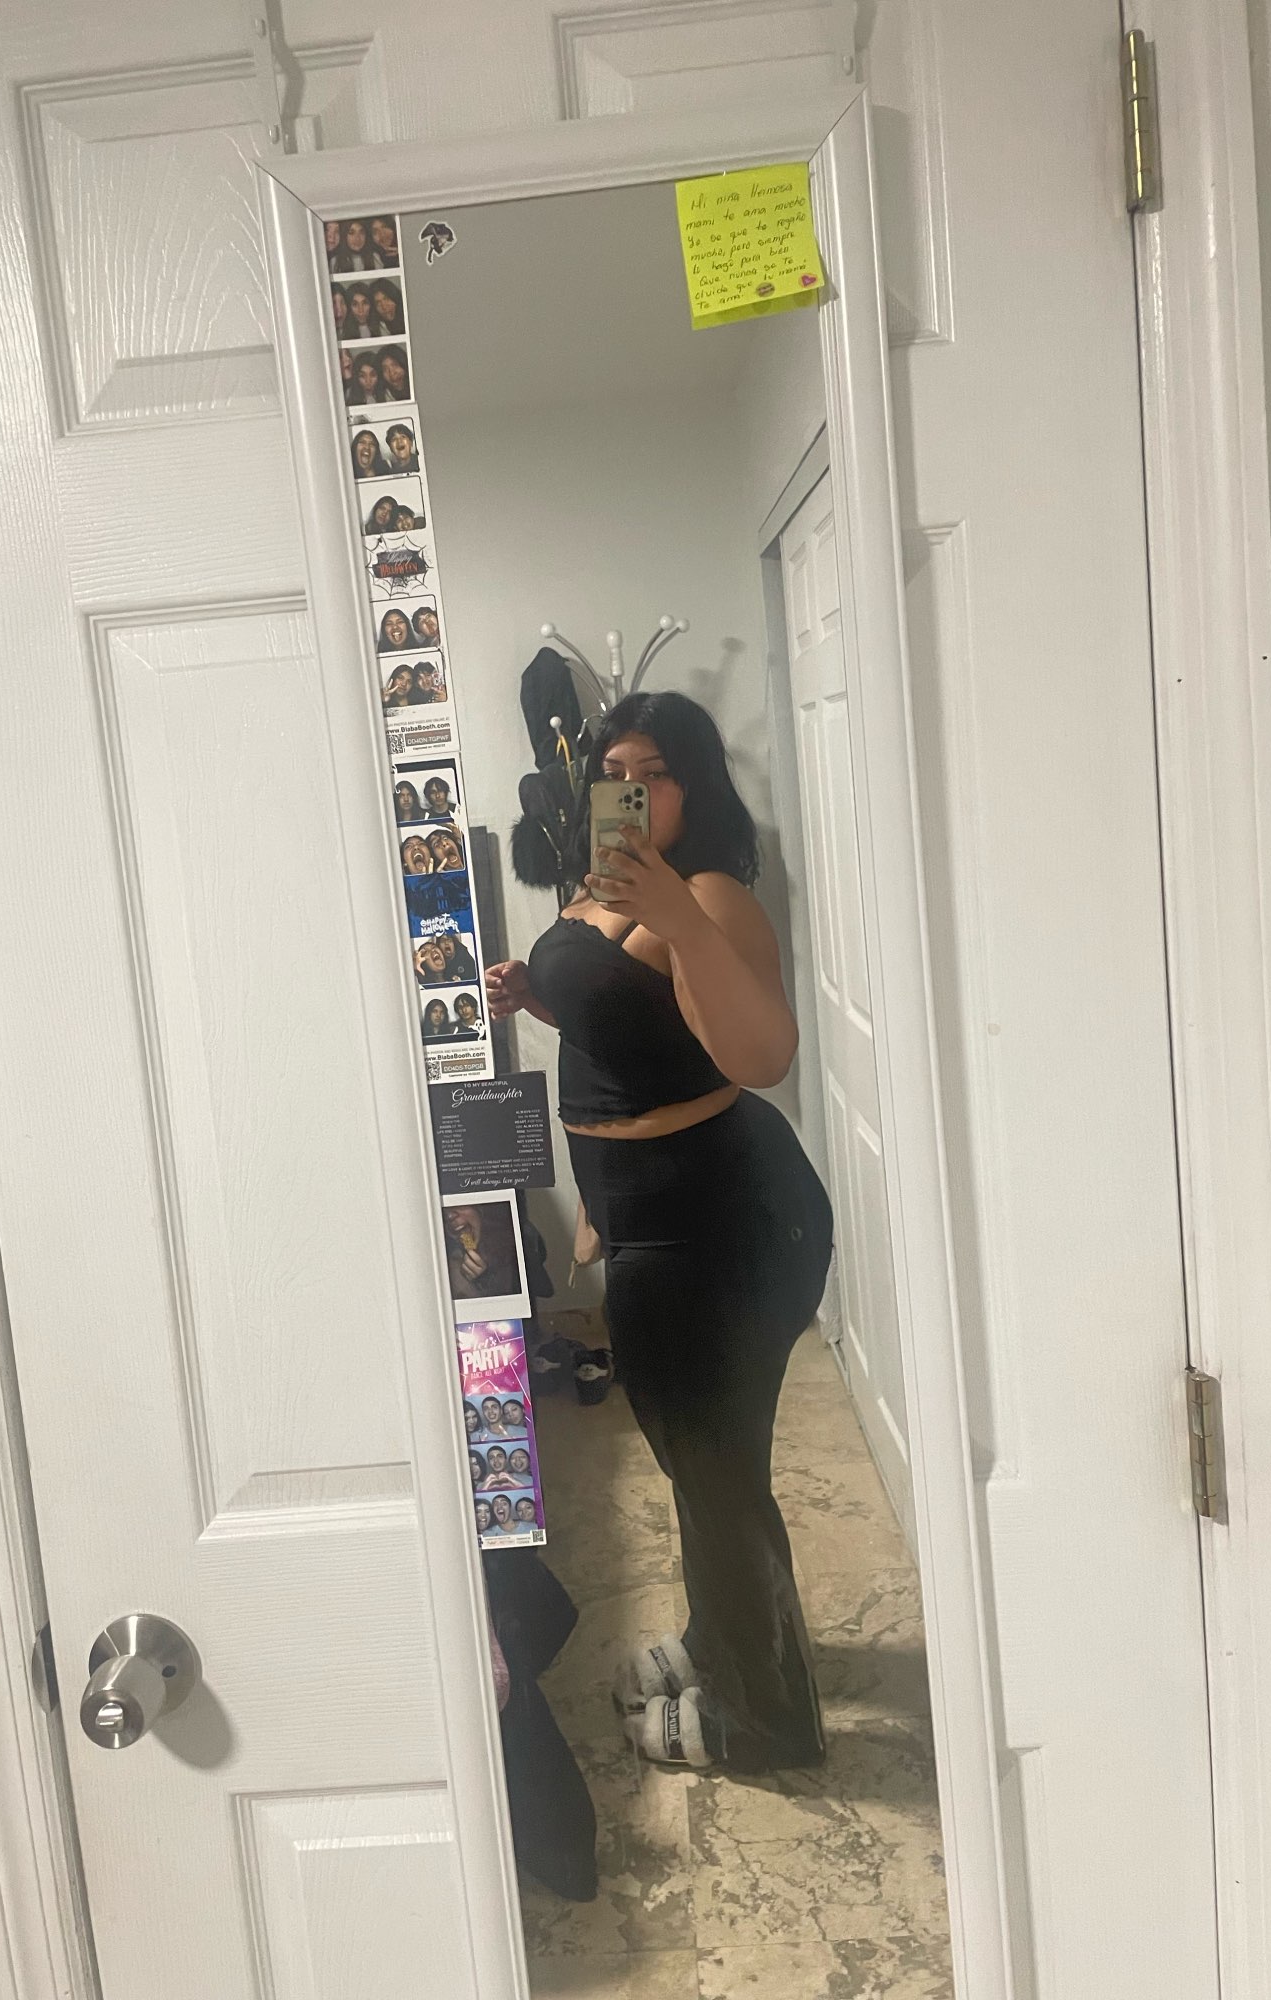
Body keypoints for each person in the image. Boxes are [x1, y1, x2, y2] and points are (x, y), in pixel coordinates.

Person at [486, 690, 833, 1776]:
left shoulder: (711, 894)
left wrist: (680, 919)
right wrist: (539, 998)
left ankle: (761, 1724)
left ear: (696, 784)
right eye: (614, 772)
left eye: (655, 773)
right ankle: (734, 1647)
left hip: (719, 1219)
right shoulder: (602, 886)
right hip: (647, 1218)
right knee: (705, 1467)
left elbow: (760, 1053)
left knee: (715, 1475)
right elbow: (634, 1019)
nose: (630, 791)